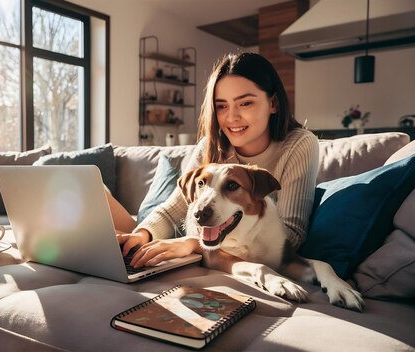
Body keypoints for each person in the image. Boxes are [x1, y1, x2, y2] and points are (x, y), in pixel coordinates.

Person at [114, 52, 319, 269]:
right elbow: (173, 211)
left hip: (194, 241)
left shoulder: (299, 144)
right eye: (221, 106)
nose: (231, 117)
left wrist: (195, 245)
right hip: (176, 230)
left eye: (245, 103)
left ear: (273, 103)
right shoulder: (211, 145)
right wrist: (141, 235)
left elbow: (291, 235)